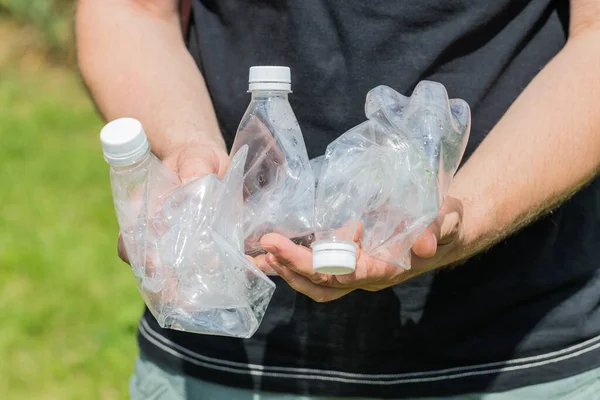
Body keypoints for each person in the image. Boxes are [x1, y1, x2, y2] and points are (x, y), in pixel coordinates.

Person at [76, 0, 600, 399]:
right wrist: (188, 151)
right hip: (215, 356)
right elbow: (132, 10)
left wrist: (467, 211)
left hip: (518, 361)